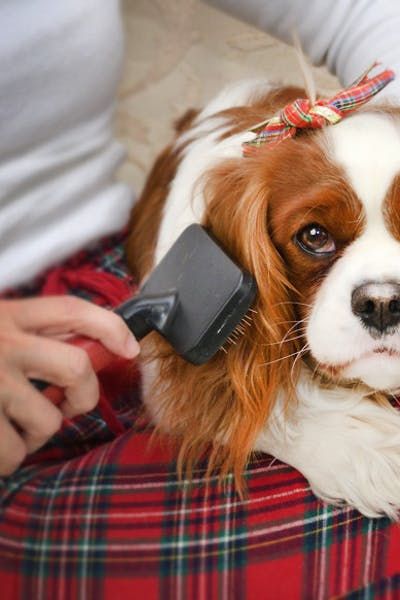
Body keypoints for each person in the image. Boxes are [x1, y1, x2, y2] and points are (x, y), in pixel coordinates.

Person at [1, 1, 400, 598]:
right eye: (314, 236)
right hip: (62, 377)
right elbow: (184, 391)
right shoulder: (246, 225)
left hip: (119, 275)